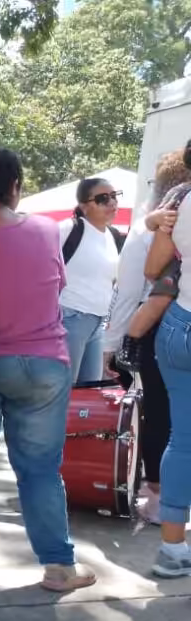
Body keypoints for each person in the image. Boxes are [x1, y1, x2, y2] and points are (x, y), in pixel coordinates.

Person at [0, 148, 96, 591]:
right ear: (15, 187)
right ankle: (58, 566)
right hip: (41, 364)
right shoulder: (47, 230)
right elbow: (56, 287)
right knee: (40, 469)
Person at [103, 147, 191, 523]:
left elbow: (132, 290)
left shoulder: (161, 223)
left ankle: (161, 504)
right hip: (167, 320)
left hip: (169, 326)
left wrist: (113, 345)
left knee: (164, 420)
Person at [144, 141, 191, 578]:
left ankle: (173, 550)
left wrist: (161, 229)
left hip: (178, 327)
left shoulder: (179, 201)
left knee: (182, 440)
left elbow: (153, 269)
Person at [58, 177, 122, 384]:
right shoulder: (70, 229)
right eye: (103, 198)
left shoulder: (112, 236)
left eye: (114, 196)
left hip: (100, 322)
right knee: (63, 389)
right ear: (84, 206)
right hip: (70, 316)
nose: (112, 203)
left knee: (89, 392)